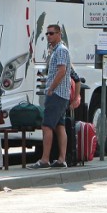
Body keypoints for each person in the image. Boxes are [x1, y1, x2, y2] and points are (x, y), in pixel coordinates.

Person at [28, 24, 71, 169]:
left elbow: (62, 71)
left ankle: (45, 159)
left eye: (51, 33)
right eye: (47, 34)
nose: (48, 36)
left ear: (59, 34)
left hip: (57, 93)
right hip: (61, 94)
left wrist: (51, 88)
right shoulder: (55, 50)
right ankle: (61, 159)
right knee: (59, 126)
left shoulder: (60, 50)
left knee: (46, 126)